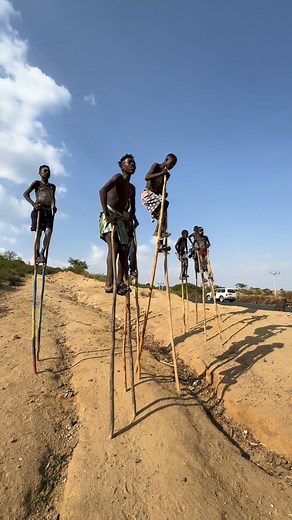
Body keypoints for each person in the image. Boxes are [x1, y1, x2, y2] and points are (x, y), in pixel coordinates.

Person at [99, 154, 136, 295]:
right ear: (122, 166)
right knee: (113, 247)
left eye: (133, 163)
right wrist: (107, 215)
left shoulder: (132, 188)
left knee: (124, 249)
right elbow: (102, 191)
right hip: (109, 214)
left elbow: (133, 208)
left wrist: (130, 221)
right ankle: (109, 284)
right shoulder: (117, 178)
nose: (132, 165)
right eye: (129, 162)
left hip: (121, 218)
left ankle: (119, 282)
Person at [141, 153, 177, 252]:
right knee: (165, 204)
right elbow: (147, 177)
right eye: (171, 163)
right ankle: (158, 230)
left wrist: (164, 193)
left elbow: (160, 189)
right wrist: (161, 173)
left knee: (163, 217)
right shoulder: (156, 166)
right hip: (147, 195)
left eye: (174, 165)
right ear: (166, 160)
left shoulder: (167, 175)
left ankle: (160, 244)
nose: (172, 166)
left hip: (156, 198)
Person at [23, 165, 57, 264]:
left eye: (48, 171)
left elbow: (53, 197)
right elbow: (25, 194)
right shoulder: (37, 183)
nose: (47, 172)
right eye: (45, 171)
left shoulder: (52, 186)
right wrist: (33, 204)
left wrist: (54, 206)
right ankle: (37, 253)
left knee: (48, 233)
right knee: (38, 233)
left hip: (48, 211)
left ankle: (42, 252)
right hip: (38, 210)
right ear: (40, 173)